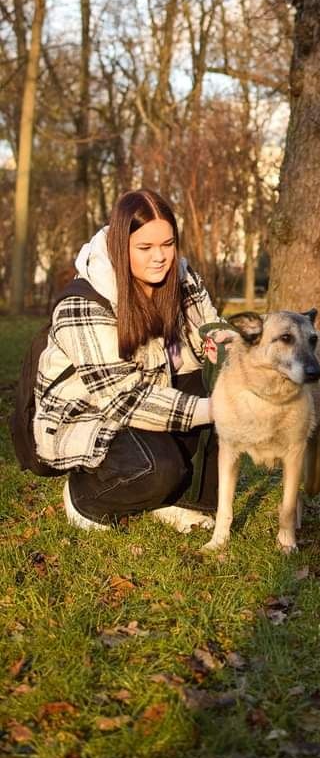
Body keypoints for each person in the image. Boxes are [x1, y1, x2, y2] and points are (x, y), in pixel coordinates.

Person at [34, 188, 228, 532]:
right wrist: (212, 409)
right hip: (90, 414)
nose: (160, 257)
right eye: (145, 247)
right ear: (120, 247)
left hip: (149, 391)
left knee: (216, 383)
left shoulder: (180, 277)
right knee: (160, 468)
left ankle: (180, 501)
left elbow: (206, 327)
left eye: (168, 245)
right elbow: (124, 400)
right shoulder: (83, 304)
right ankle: (85, 497)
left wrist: (216, 341)